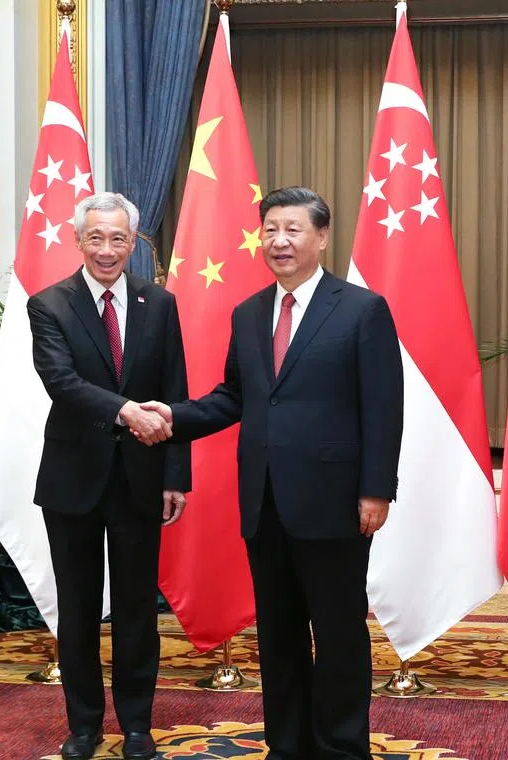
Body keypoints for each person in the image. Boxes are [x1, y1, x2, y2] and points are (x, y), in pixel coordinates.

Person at [144, 186, 403, 759]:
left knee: (338, 637)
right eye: (270, 230)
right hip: (264, 503)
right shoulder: (250, 312)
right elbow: (235, 397)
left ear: (322, 237)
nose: (279, 241)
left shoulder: (362, 309)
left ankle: (340, 748)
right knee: (278, 638)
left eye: (293, 230)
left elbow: (384, 407)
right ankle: (287, 746)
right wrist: (174, 416)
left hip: (336, 503)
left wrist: (376, 490)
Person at [27, 192, 189, 760]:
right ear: (78, 240)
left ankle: (138, 725)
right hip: (73, 481)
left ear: (133, 243)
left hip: (141, 481)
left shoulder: (159, 303)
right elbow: (62, 383)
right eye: (95, 237)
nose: (106, 249)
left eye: (118, 238)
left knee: (138, 611)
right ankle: (85, 726)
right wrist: (125, 411)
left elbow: (175, 391)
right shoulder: (50, 304)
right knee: (77, 610)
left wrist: (176, 474)